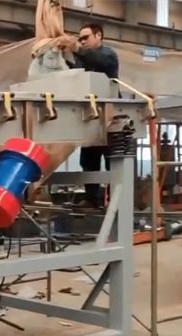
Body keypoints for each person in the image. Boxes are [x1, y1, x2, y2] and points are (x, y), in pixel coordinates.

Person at [64, 23, 120, 208]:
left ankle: (117, 202)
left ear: (98, 36)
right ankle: (91, 198)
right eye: (80, 39)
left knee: (114, 162)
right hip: (90, 115)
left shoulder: (108, 55)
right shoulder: (83, 58)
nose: (82, 42)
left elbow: (98, 61)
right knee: (88, 160)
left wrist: (77, 49)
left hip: (110, 117)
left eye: (85, 38)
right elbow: (76, 73)